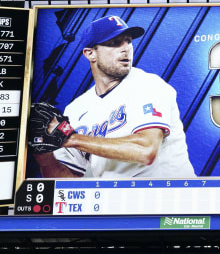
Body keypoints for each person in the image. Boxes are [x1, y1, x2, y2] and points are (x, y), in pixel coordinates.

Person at [32, 15, 196, 178]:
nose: (126, 49)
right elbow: (69, 182)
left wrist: (70, 138)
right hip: (116, 201)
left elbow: (146, 150)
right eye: (115, 43)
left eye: (128, 41)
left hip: (171, 197)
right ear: (90, 54)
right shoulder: (76, 110)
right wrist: (43, 153)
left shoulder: (148, 85)